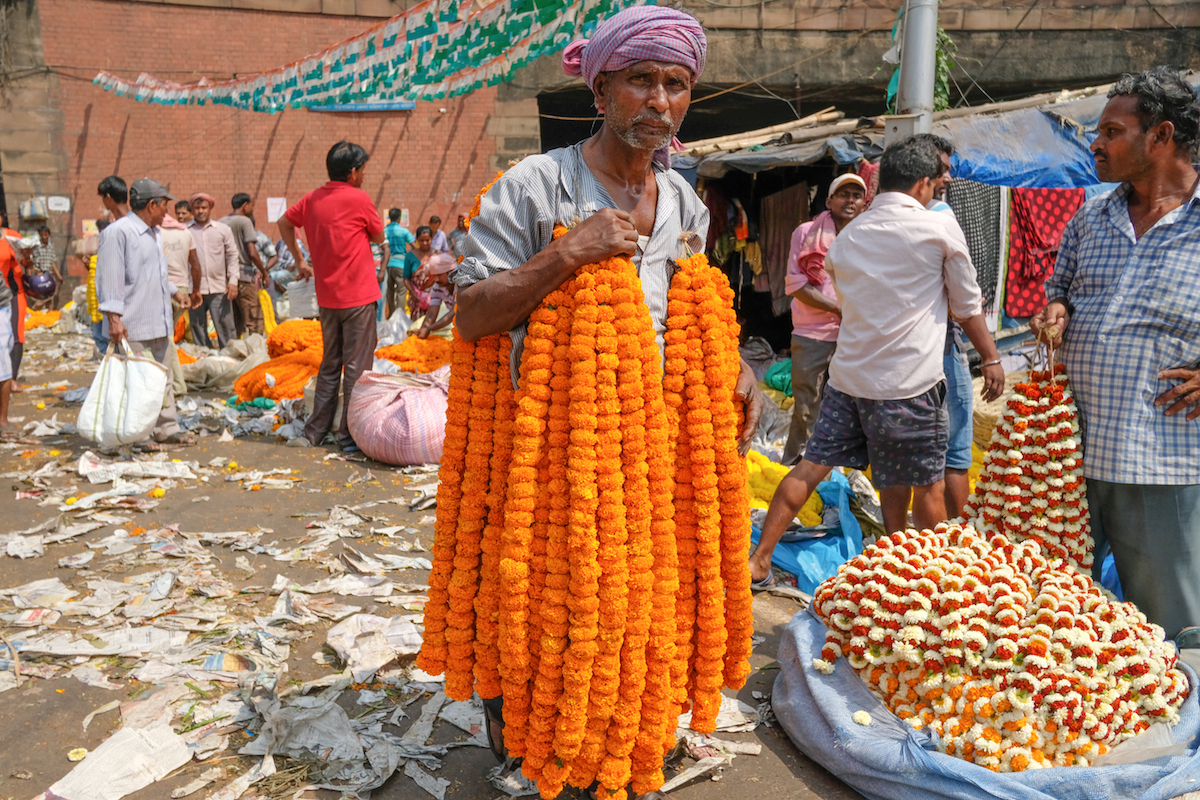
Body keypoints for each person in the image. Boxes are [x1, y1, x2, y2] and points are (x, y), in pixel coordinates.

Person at [453, 8, 762, 781]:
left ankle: (631, 739)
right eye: (642, 81)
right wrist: (568, 253)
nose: (660, 101)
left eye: (677, 85)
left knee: (641, 614)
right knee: (542, 618)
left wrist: (737, 367)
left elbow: (692, 313)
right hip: (551, 458)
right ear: (601, 91)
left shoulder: (685, 205)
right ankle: (538, 751)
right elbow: (471, 316)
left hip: (655, 460)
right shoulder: (533, 187)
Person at [748, 135, 1005, 588]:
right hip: (909, 386)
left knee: (810, 468)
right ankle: (927, 583)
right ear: (924, 183)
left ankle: (760, 560)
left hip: (848, 380)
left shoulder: (849, 238)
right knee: (923, 485)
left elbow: (849, 301)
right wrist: (990, 357)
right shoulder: (938, 230)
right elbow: (967, 308)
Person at [1031, 67, 1200, 644]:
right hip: (1068, 458)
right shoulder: (1091, 217)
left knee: (1170, 625)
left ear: (1161, 137)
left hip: (1161, 460)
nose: (1095, 144)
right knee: (1057, 616)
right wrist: (1056, 311)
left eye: (1111, 130)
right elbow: (1060, 289)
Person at [278, 140, 389, 451]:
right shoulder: (359, 198)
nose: (364, 176)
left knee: (330, 364)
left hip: (327, 298)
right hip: (359, 297)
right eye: (363, 170)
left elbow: (284, 223)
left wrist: (299, 260)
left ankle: (314, 432)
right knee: (356, 367)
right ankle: (349, 437)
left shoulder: (312, 199)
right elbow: (378, 236)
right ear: (352, 172)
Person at [95, 177, 193, 446]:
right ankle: (138, 434)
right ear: (152, 205)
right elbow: (109, 279)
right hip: (132, 323)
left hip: (158, 320)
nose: (167, 211)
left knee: (162, 379)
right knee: (136, 382)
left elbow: (153, 273)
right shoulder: (118, 233)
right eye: (164, 205)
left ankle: (166, 428)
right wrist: (114, 319)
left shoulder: (154, 233)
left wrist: (175, 291)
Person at [780, 173, 866, 465]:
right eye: (844, 194)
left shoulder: (867, 236)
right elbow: (795, 285)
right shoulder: (806, 232)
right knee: (807, 404)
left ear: (864, 203)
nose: (850, 200)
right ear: (829, 201)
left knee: (852, 403)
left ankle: (841, 463)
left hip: (855, 333)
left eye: (856, 195)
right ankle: (796, 462)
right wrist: (837, 308)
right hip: (812, 333)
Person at [919, 134, 976, 519]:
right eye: (943, 170)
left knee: (919, 456)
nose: (949, 179)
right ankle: (959, 542)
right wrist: (989, 356)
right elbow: (965, 300)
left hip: (906, 354)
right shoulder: (939, 216)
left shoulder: (877, 222)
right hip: (942, 348)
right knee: (954, 454)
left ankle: (923, 543)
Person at [187, 193, 239, 348]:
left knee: (226, 327)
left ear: (210, 208)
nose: (200, 211)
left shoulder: (223, 230)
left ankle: (231, 359)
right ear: (192, 209)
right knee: (198, 328)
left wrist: (233, 281)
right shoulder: (184, 231)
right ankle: (206, 360)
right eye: (197, 208)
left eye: (204, 207)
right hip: (194, 289)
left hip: (219, 288)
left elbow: (232, 256)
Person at [221, 193, 268, 336]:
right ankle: (257, 351)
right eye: (252, 206)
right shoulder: (245, 221)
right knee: (254, 318)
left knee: (236, 319)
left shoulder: (221, 222)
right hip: (244, 276)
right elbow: (252, 253)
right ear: (245, 205)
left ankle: (236, 348)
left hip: (226, 278)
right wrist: (264, 273)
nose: (252, 209)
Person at [160, 212, 202, 354]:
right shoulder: (186, 233)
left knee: (163, 334)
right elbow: (195, 264)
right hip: (182, 288)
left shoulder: (154, 233)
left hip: (160, 287)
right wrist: (196, 289)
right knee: (170, 331)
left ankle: (172, 372)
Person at [1, 210, 29, 391]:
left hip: (11, 293)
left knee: (15, 335)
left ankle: (11, 378)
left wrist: (26, 257)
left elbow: (24, 263)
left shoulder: (12, 237)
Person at [414, 253, 457, 339]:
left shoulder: (462, 285)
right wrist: (423, 329)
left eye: (439, 275)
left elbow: (455, 312)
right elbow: (431, 315)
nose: (436, 279)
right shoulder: (437, 287)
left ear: (450, 272)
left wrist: (429, 328)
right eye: (434, 276)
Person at [384, 208, 414, 316]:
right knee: (401, 292)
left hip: (387, 265)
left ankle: (391, 315)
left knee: (389, 292)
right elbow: (414, 246)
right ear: (399, 218)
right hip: (401, 264)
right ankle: (400, 316)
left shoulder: (384, 231)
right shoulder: (404, 231)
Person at [26, 226, 62, 310]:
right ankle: (33, 313)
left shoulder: (51, 247)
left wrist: (58, 276)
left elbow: (52, 263)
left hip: (49, 276)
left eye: (45, 235)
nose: (44, 237)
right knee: (41, 300)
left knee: (50, 299)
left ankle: (49, 318)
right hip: (39, 276)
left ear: (49, 235)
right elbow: (31, 263)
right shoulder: (36, 247)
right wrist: (31, 277)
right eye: (42, 235)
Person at [404, 225, 436, 318]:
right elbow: (406, 278)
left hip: (434, 297)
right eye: (421, 241)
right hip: (416, 298)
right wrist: (413, 292)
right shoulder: (410, 256)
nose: (425, 243)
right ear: (417, 240)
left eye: (427, 240)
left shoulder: (437, 255)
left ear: (432, 239)